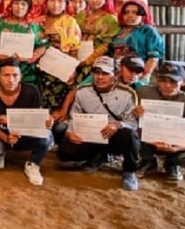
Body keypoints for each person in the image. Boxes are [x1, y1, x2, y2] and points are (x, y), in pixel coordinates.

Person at [57, 56, 141, 191]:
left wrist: (118, 125)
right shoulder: (82, 92)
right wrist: (69, 133)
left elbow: (132, 122)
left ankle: (129, 172)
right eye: (96, 73)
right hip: (91, 136)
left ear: (115, 74)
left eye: (105, 73)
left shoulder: (127, 94)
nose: (100, 77)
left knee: (129, 136)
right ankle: (100, 156)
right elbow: (74, 115)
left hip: (114, 136)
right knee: (64, 152)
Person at [0, 58, 53, 185]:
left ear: (21, 77)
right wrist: (6, 138)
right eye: (6, 75)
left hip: (26, 134)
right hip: (3, 134)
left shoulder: (32, 91)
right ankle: (1, 152)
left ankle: (33, 163)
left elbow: (39, 118)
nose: (11, 80)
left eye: (15, 75)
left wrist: (47, 121)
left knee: (47, 136)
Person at [136, 61, 185, 181]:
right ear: (157, 80)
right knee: (130, 134)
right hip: (148, 139)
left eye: (173, 81)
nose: (167, 85)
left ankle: (172, 163)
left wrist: (177, 148)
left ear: (183, 82)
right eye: (163, 80)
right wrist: (135, 113)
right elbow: (128, 115)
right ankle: (148, 161)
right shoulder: (144, 92)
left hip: (175, 142)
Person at [0, 0, 48, 87]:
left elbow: (42, 46)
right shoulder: (1, 23)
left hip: (26, 72)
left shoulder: (34, 26)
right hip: (2, 69)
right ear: (11, 6)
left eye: (23, 4)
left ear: (29, 8)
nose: (19, 7)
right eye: (16, 3)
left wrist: (32, 57)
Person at [39, 0, 81, 112]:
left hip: (61, 67)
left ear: (66, 3)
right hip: (38, 67)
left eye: (60, 1)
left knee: (58, 102)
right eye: (52, 0)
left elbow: (74, 49)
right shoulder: (38, 20)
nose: (56, 4)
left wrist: (72, 69)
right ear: (46, 2)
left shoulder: (70, 22)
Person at [110, 0, 164, 85]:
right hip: (117, 73)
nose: (130, 15)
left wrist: (144, 76)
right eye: (126, 12)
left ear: (143, 15)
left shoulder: (148, 31)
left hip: (137, 74)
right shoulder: (118, 31)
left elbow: (153, 57)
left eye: (135, 12)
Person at [74, 0, 120, 84]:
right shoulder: (80, 15)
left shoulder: (110, 19)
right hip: (76, 56)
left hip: (97, 60)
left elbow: (105, 45)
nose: (94, 0)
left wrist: (87, 61)